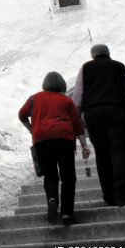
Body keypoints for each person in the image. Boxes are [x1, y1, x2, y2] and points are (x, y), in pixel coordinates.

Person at [72, 44, 125, 207]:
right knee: (122, 153)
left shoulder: (85, 69)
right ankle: (122, 194)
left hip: (93, 115)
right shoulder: (120, 67)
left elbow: (77, 96)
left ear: (93, 56)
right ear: (108, 53)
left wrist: (77, 118)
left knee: (102, 155)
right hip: (117, 112)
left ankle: (108, 195)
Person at [19, 71, 90, 226]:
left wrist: (31, 128)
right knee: (68, 178)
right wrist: (84, 144)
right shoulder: (66, 100)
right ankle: (66, 214)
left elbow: (22, 114)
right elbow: (77, 123)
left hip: (41, 141)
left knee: (50, 175)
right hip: (64, 140)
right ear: (61, 84)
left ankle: (52, 200)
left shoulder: (34, 99)